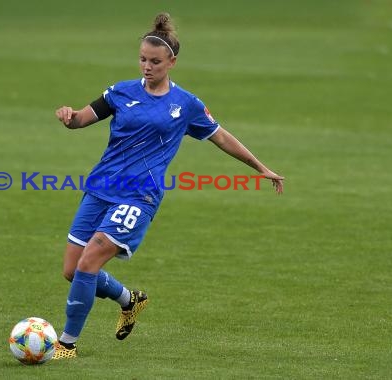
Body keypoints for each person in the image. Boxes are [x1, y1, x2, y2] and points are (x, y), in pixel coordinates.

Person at [52, 12, 284, 360]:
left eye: (155, 61)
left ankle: (65, 345)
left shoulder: (186, 105)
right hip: (100, 188)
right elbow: (82, 119)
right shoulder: (120, 92)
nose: (147, 67)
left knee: (89, 264)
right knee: (72, 271)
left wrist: (260, 167)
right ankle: (129, 300)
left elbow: (220, 137)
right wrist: (69, 117)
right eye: (143, 59)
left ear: (171, 62)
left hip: (139, 196)